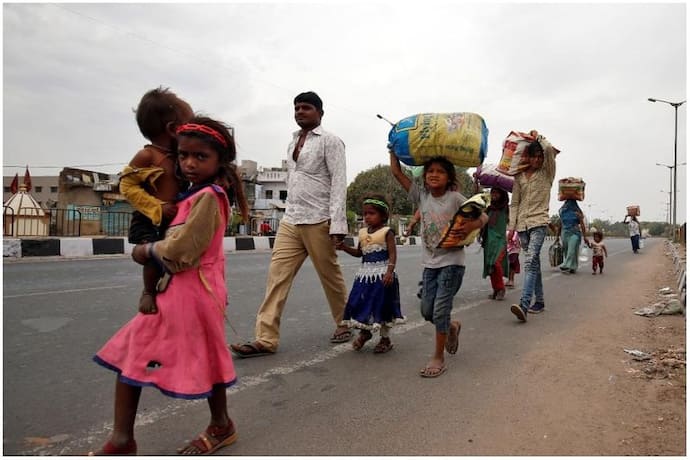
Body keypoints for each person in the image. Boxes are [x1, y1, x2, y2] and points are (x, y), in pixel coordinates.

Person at [90, 116, 249, 455]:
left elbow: (184, 251)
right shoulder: (191, 194)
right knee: (140, 353)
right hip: (180, 292)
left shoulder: (209, 196)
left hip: (195, 292)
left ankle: (218, 425)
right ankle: (123, 439)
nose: (189, 163)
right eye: (183, 155)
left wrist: (147, 249)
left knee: (198, 358)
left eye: (200, 156)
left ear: (220, 160)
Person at [230, 91, 351, 358]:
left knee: (330, 276)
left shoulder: (331, 141)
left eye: (305, 108)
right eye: (296, 108)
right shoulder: (293, 141)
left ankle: (345, 322)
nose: (299, 112)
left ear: (320, 112)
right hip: (291, 218)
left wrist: (337, 224)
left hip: (319, 219)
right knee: (277, 277)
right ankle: (265, 338)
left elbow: (339, 182)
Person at [389, 151, 487, 378]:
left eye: (440, 171)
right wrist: (392, 151)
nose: (434, 175)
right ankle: (451, 326)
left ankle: (438, 357)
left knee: (441, 309)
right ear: (424, 177)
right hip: (430, 264)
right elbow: (396, 172)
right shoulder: (422, 197)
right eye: (430, 171)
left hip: (452, 262)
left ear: (449, 177)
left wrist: (472, 226)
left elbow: (483, 217)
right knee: (427, 310)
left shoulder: (455, 198)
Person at [119, 87, 193, 314]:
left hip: (174, 218)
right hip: (149, 217)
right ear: (173, 129)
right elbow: (126, 185)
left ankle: (171, 291)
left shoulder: (181, 157)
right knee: (152, 255)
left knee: (173, 255)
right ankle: (148, 291)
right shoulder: (148, 156)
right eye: (189, 126)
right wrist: (157, 206)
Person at [336, 194, 405, 353]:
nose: (367, 217)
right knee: (360, 303)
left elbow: (393, 254)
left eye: (371, 213)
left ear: (383, 215)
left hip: (382, 277)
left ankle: (385, 339)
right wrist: (345, 248)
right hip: (364, 277)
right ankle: (365, 332)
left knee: (382, 306)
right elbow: (360, 254)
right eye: (365, 213)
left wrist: (389, 272)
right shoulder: (362, 233)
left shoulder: (387, 232)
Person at [507, 132, 558, 321]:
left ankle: (524, 305)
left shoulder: (547, 173)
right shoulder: (519, 177)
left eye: (539, 157)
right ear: (527, 157)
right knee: (533, 264)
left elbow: (550, 151)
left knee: (529, 262)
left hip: (539, 223)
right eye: (533, 156)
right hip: (522, 226)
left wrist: (540, 138)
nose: (537, 160)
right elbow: (515, 203)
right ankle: (540, 301)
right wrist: (511, 227)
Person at [481, 187, 510, 300]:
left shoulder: (505, 208)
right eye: (492, 192)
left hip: (500, 241)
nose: (494, 194)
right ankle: (496, 290)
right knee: (490, 266)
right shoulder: (488, 208)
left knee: (496, 263)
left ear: (502, 194)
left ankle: (501, 288)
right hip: (489, 240)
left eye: (497, 192)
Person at [557, 199, 590, 274]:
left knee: (571, 250)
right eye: (567, 202)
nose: (568, 204)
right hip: (564, 233)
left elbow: (582, 225)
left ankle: (566, 265)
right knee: (567, 251)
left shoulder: (577, 213)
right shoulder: (562, 212)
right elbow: (560, 225)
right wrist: (557, 237)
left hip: (575, 233)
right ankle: (572, 267)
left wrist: (585, 237)